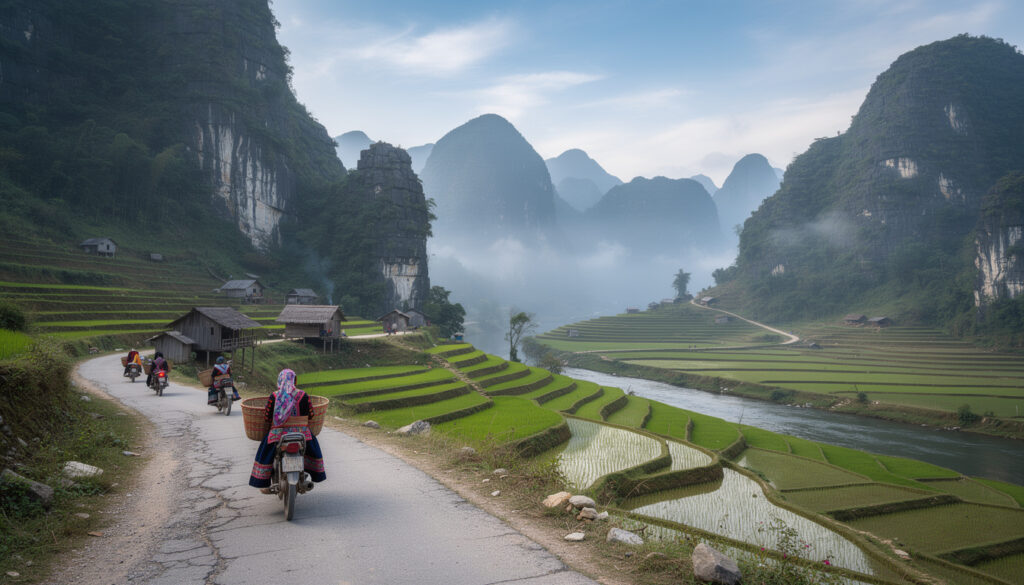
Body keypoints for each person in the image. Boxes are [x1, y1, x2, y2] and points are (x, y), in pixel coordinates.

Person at [249, 369, 326, 493]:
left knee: (265, 451)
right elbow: (311, 415)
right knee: (314, 447)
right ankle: (315, 473)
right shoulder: (303, 395)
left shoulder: (274, 396)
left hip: (279, 433)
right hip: (301, 433)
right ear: (294, 380)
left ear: (280, 380)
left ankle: (262, 480)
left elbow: (268, 417)